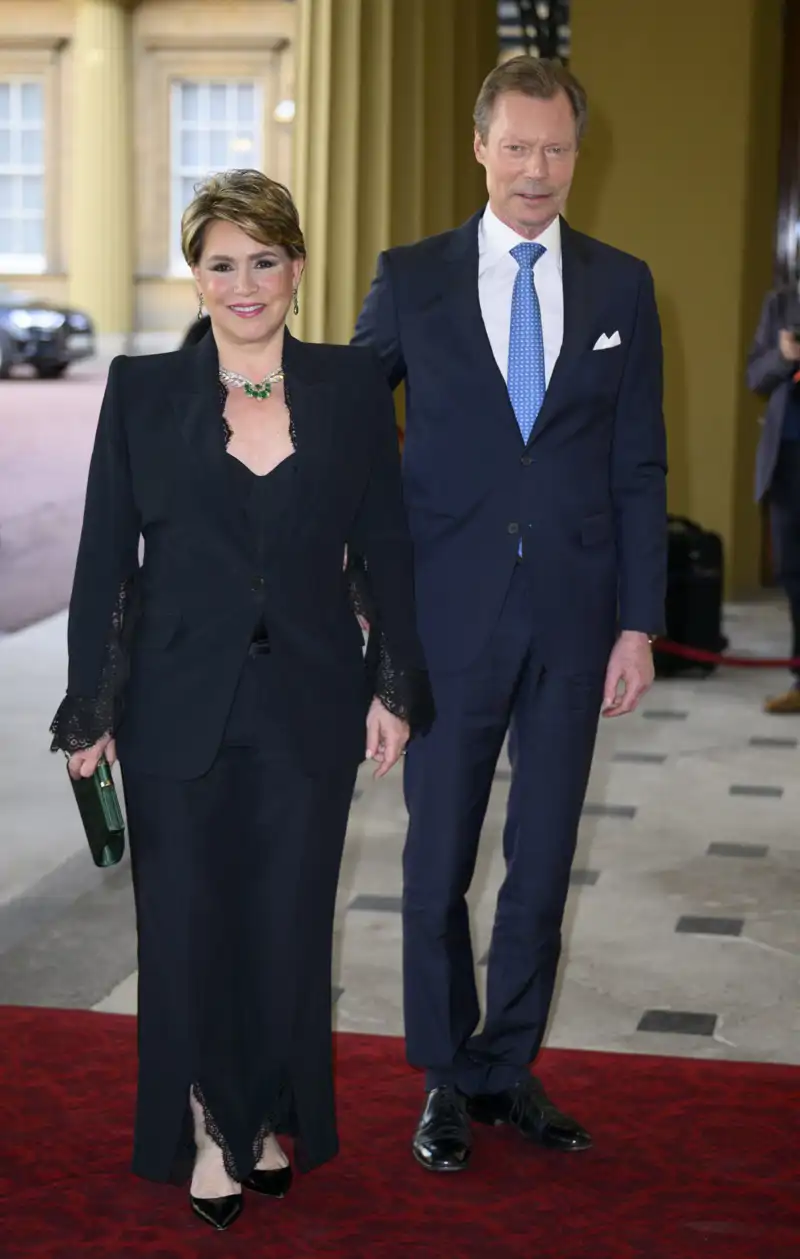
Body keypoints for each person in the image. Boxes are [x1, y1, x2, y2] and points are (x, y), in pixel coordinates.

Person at [50, 169, 432, 1230]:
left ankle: (264, 1111)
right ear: (198, 276)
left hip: (310, 698)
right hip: (175, 700)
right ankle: (209, 1121)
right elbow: (100, 563)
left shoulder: (352, 385)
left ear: (296, 270)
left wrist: (394, 681)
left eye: (264, 260)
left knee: (287, 920)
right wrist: (91, 706)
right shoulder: (142, 390)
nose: (244, 282)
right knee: (186, 923)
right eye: (222, 263)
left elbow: (386, 544)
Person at [354, 56, 667, 1172]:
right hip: (445, 615)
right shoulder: (412, 277)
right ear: (479, 146)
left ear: (578, 155)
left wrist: (637, 621)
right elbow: (348, 429)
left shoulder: (622, 285)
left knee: (542, 859)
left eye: (558, 148)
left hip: (576, 620)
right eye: (519, 146)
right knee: (436, 858)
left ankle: (507, 1065)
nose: (538, 169)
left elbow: (638, 465)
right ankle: (443, 1072)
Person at [746, 281, 800, 713]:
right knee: (794, 572)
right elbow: (755, 378)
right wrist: (784, 355)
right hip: (789, 464)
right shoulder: (781, 303)